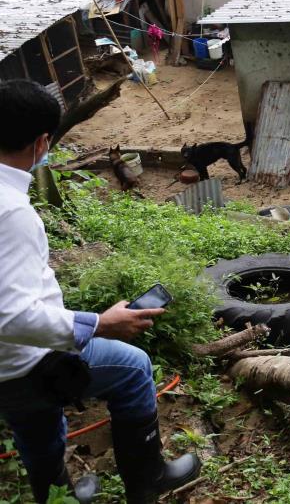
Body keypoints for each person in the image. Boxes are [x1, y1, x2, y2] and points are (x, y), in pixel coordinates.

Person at [0, 80, 200, 504]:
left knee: (33, 417)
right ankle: (148, 480)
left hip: (5, 367)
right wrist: (98, 324)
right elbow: (10, 316)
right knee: (132, 368)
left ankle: (57, 494)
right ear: (40, 143)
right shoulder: (11, 213)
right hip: (21, 358)